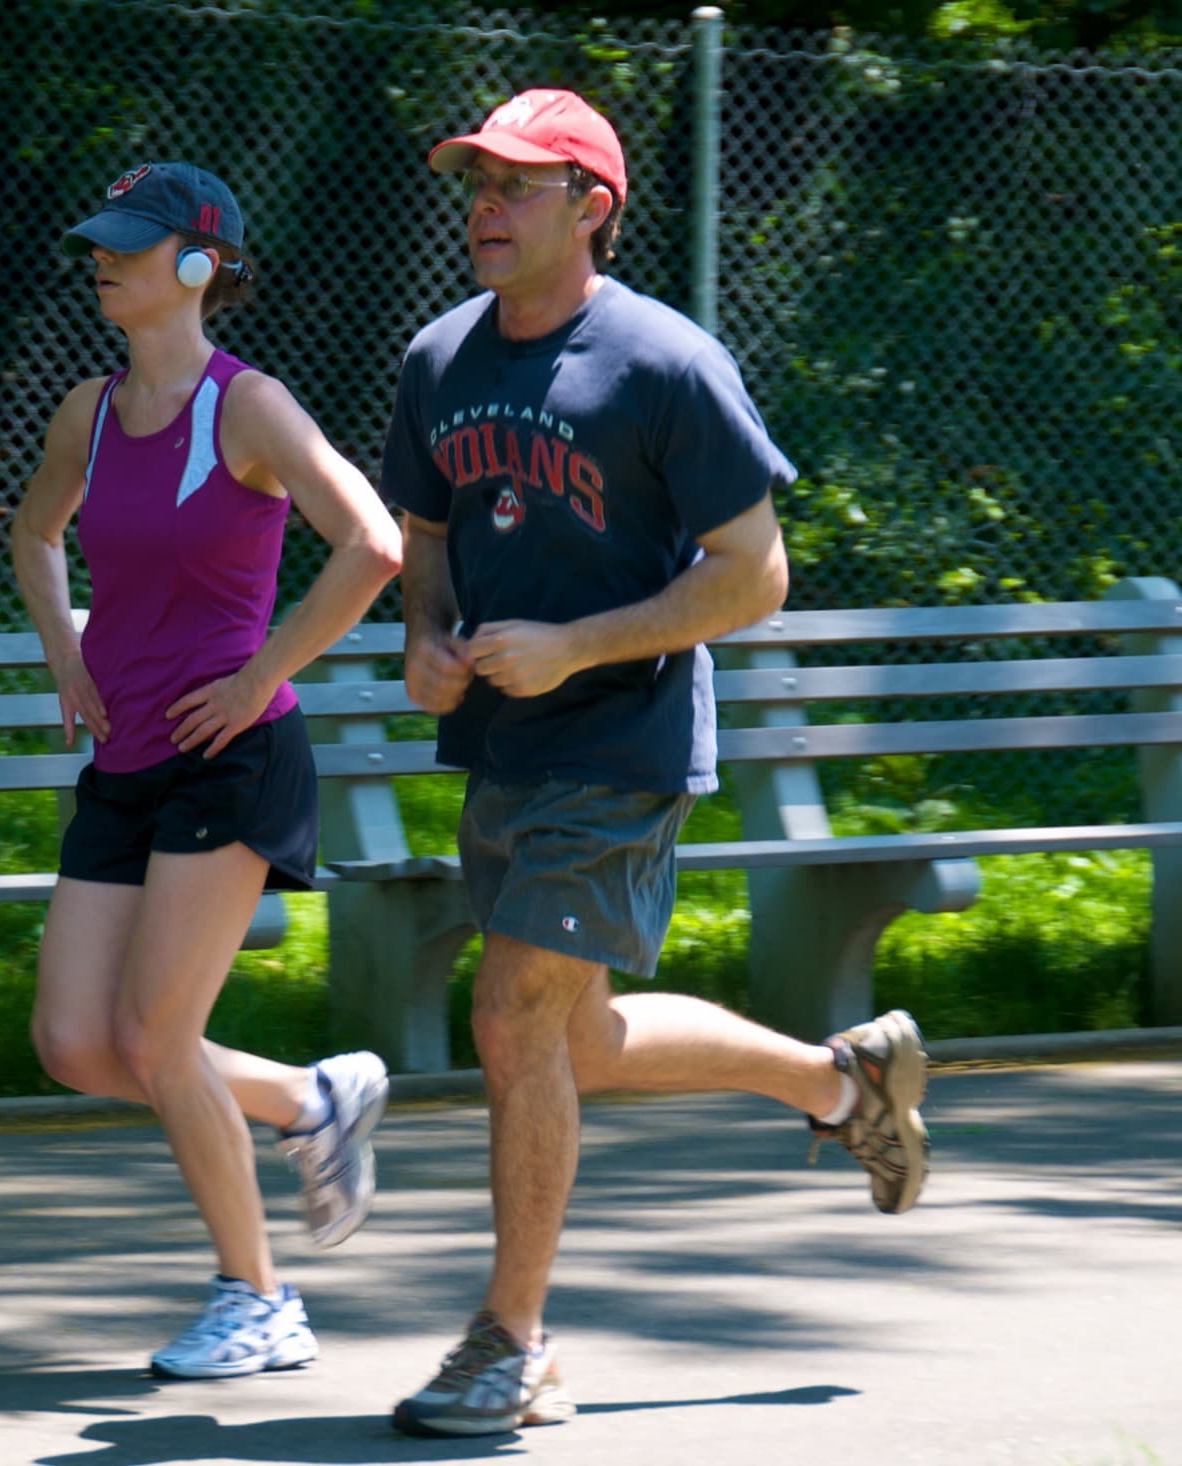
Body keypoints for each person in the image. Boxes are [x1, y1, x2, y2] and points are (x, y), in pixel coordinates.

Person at [376, 90, 931, 1436]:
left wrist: (577, 644)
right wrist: (430, 634)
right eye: (475, 181)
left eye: (517, 184)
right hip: (504, 743)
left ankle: (513, 1341)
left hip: (621, 745)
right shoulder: (439, 357)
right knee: (573, 1038)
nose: (484, 206)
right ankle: (843, 1080)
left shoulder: (665, 364)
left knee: (511, 1017)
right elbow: (426, 535)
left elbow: (755, 574)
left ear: (592, 206)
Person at [10, 160, 404, 1380]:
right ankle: (306, 1100)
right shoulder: (88, 407)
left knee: (155, 1033)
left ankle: (261, 1299)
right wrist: (67, 653)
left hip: (233, 758)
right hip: (126, 752)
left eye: (130, 243)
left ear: (196, 264)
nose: (101, 259)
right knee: (77, 1042)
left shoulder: (248, 407)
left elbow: (373, 541)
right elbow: (33, 532)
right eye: (99, 240)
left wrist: (259, 674)